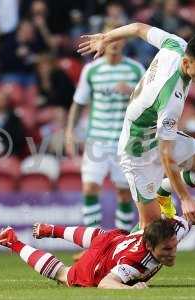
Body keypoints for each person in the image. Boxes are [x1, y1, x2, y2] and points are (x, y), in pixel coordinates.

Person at [78, 23, 195, 229]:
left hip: (158, 135)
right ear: (186, 63)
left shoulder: (175, 44)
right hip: (137, 150)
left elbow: (138, 28)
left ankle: (164, 187)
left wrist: (107, 37)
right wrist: (185, 198)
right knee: (150, 230)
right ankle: (108, 255)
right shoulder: (170, 99)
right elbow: (166, 155)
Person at [0, 213, 195, 289]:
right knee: (66, 275)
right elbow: (107, 282)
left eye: (173, 247)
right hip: (104, 262)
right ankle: (13, 241)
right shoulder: (134, 262)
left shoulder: (171, 232)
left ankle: (52, 229)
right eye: (166, 251)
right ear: (150, 247)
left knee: (100, 236)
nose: (173, 253)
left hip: (115, 240)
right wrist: (130, 288)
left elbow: (192, 218)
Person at [66, 23, 145, 231]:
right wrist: (69, 132)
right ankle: (93, 242)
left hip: (125, 141)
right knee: (90, 188)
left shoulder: (136, 69)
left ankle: (120, 241)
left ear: (124, 41)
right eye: (111, 38)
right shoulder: (91, 70)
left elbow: (149, 101)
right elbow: (78, 102)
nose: (115, 43)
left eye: (119, 38)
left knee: (124, 193)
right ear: (104, 40)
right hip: (97, 141)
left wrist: (131, 91)